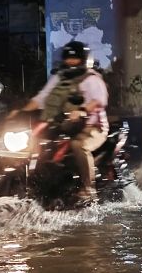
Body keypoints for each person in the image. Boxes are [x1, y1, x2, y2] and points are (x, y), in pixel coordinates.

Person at [21, 40, 108, 203]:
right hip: (65, 125)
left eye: (75, 59)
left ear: (83, 60)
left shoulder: (92, 79)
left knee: (78, 145)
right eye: (68, 58)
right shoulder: (58, 78)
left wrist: (81, 111)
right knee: (38, 143)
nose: (71, 62)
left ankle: (88, 189)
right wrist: (21, 111)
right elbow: (42, 97)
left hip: (93, 127)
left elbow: (97, 101)